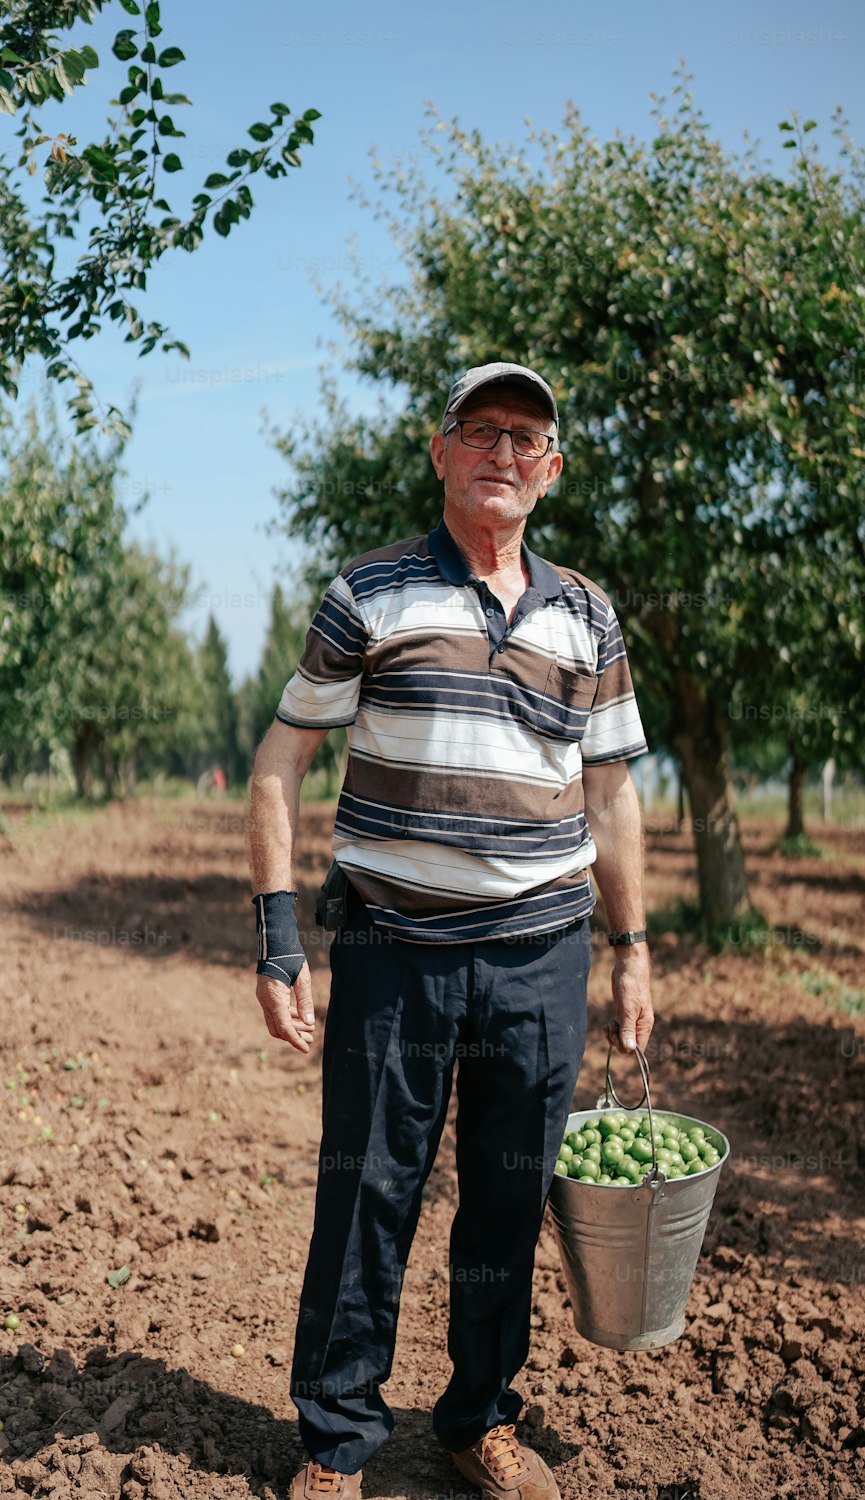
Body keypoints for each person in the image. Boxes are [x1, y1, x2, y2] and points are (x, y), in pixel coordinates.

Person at [247, 361, 655, 1500]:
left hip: (541, 956)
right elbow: (279, 764)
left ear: (551, 470)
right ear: (440, 452)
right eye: (480, 431)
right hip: (393, 953)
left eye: (525, 438)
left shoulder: (585, 614)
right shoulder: (370, 592)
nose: (502, 454)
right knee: (366, 1192)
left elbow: (611, 798)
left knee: (506, 1199)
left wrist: (632, 952)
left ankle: (478, 1418)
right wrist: (278, 939)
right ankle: (335, 1440)